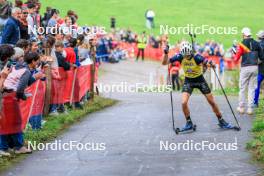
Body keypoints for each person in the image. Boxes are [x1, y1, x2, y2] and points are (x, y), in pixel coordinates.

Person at [162, 41, 234, 131]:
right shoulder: (180, 56)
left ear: (190, 52)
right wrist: (165, 53)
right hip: (189, 81)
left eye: (187, 55)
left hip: (200, 80)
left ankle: (221, 120)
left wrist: (211, 64)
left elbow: (206, 62)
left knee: (211, 102)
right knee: (183, 102)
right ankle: (189, 123)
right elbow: (164, 63)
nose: (186, 57)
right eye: (184, 55)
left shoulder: (196, 57)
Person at [234, 27, 263, 115]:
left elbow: (236, 58)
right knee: (252, 88)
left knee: (242, 88)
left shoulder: (242, 44)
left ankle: (241, 107)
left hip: (245, 68)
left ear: (243, 35)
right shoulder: (257, 43)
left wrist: (235, 53)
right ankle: (250, 108)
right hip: (255, 68)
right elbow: (262, 57)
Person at [254, 30, 264, 107]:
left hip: (261, 69)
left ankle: (255, 102)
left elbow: (259, 59)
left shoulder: (258, 45)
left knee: (256, 85)